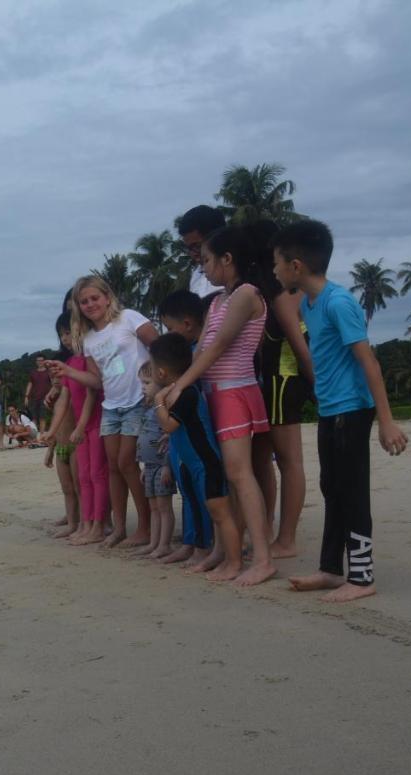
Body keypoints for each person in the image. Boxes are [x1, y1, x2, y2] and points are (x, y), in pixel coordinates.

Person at [274, 220, 408, 603]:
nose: (274, 271)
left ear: (295, 266)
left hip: (353, 409)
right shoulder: (309, 303)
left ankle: (362, 577)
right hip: (331, 409)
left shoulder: (338, 302)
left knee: (352, 492)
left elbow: (369, 364)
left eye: (276, 263)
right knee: (332, 487)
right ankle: (332, 569)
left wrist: (385, 421)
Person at [164, 224, 275, 586]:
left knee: (240, 475)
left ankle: (261, 558)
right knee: (226, 475)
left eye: (209, 260)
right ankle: (223, 551)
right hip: (216, 393)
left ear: (228, 259)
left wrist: (181, 382)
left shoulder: (246, 294)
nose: (204, 267)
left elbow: (217, 348)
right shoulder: (218, 301)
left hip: (233, 391)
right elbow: (201, 347)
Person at [47, 275, 158, 547]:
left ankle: (146, 526)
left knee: (126, 462)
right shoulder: (89, 339)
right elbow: (97, 381)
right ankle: (118, 528)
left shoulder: (129, 318)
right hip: (112, 407)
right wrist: (69, 371)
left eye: (94, 298)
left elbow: (159, 346)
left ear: (107, 296)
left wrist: (157, 382)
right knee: (113, 469)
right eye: (83, 301)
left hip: (136, 401)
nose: (90, 304)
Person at [149, 333, 243, 581]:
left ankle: (233, 562)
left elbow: (169, 425)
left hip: (206, 464)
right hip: (191, 465)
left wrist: (158, 403)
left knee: (221, 513)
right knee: (203, 507)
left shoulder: (186, 393)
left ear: (160, 372)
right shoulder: (180, 391)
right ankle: (210, 553)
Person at [253, 273, 314, 560]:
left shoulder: (286, 296)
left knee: (289, 462)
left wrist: (319, 385)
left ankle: (286, 539)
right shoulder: (277, 295)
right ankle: (266, 530)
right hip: (273, 383)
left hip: (282, 381)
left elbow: (300, 344)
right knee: (262, 459)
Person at [49, 311, 106, 546]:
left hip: (95, 423)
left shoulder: (88, 359)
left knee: (96, 475)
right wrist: (52, 431)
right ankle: (85, 523)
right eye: (61, 334)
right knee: (83, 476)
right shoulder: (70, 362)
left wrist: (81, 425)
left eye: (68, 332)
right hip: (81, 429)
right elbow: (65, 398)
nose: (65, 338)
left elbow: (93, 392)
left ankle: (98, 525)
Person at [135, 363, 176, 559]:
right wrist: (143, 465)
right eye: (142, 383)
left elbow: (169, 437)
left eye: (147, 382)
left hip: (162, 465)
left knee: (164, 507)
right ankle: (154, 543)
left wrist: (168, 465)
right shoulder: (147, 407)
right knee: (153, 507)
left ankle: (164, 544)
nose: (143, 387)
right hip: (149, 466)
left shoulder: (163, 408)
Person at [40, 371, 79, 540]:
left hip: (75, 447)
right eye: (52, 378)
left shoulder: (72, 396)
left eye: (59, 377)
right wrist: (50, 450)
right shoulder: (54, 398)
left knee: (79, 488)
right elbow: (56, 425)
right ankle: (71, 521)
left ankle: (83, 522)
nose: (55, 380)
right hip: (60, 447)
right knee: (67, 489)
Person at [179, 204, 228, 298]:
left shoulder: (240, 268)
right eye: (189, 248)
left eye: (197, 246)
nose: (193, 253)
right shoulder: (196, 274)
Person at [24, 356, 55, 434]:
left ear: (44, 361)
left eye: (41, 360)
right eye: (38, 360)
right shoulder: (33, 372)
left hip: (45, 398)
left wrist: (51, 395)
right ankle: (34, 435)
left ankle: (41, 435)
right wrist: (26, 396)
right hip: (34, 397)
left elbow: (53, 384)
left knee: (42, 417)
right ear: (36, 362)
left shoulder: (48, 372)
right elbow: (30, 384)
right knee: (34, 418)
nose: (40, 362)